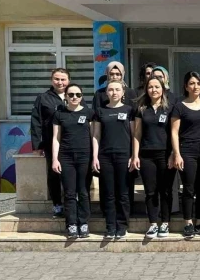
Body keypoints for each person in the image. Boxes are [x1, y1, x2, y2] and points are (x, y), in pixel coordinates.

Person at [171, 71, 200, 238]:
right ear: (186, 86)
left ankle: (199, 222)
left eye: (198, 83)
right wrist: (177, 154)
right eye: (192, 83)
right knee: (188, 188)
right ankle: (188, 223)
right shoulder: (179, 106)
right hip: (187, 151)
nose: (195, 86)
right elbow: (174, 132)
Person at [132, 76, 176, 239]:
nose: (153, 90)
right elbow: (137, 134)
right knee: (150, 191)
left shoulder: (170, 108)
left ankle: (165, 223)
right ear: (146, 90)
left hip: (165, 155)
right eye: (150, 87)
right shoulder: (141, 108)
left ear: (163, 89)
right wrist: (135, 155)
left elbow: (175, 133)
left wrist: (173, 153)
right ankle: (153, 224)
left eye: (157, 87)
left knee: (165, 190)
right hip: (146, 156)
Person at [92, 81, 133, 240]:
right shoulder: (100, 111)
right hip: (105, 156)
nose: (114, 92)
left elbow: (134, 135)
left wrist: (133, 155)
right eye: (111, 89)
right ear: (106, 92)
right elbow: (96, 135)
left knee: (123, 193)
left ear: (123, 92)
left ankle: (122, 226)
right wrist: (95, 157)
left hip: (124, 156)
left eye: (117, 89)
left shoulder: (129, 110)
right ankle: (110, 226)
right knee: (108, 193)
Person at [51, 83, 93, 240]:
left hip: (84, 157)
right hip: (66, 157)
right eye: (71, 95)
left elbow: (94, 137)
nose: (74, 97)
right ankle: (71, 224)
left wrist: (95, 157)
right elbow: (56, 138)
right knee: (69, 192)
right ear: (66, 96)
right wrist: (55, 159)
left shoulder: (89, 113)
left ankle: (83, 223)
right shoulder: (59, 114)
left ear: (82, 96)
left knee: (83, 191)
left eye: (78, 95)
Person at [30, 68, 70, 218]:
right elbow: (36, 122)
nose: (60, 82)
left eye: (63, 79)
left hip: (71, 142)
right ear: (51, 80)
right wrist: (37, 145)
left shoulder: (74, 94)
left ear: (68, 81)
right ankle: (57, 205)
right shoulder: (43, 98)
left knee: (71, 175)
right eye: (57, 79)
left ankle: (71, 205)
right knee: (54, 174)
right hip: (51, 143)